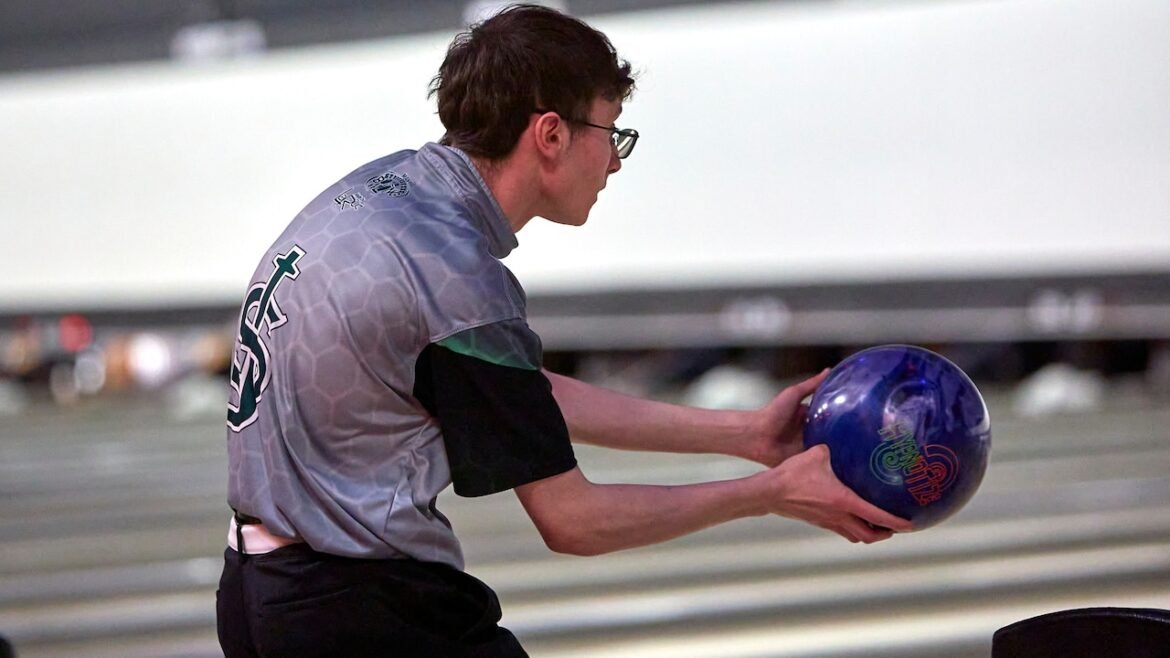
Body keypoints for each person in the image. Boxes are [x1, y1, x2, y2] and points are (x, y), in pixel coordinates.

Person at [215, 4, 911, 657]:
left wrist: (744, 436)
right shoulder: (454, 275)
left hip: (255, 592)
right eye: (611, 136)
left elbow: (515, 392)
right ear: (550, 134)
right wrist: (769, 494)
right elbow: (574, 521)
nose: (613, 162)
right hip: (360, 611)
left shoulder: (381, 195)